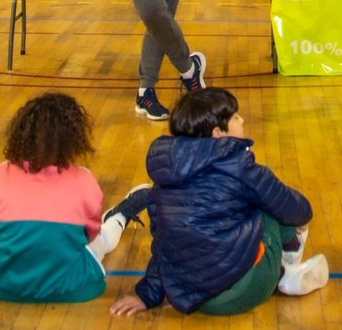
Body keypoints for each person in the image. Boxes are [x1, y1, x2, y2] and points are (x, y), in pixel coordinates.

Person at [110, 88, 327, 316]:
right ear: (218, 133)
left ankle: (284, 274)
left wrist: (147, 294)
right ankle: (286, 262)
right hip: (246, 289)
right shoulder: (241, 169)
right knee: (266, 206)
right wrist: (301, 219)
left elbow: (167, 242)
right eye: (235, 117)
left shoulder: (164, 176)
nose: (242, 120)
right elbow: (295, 208)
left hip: (196, 299)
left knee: (219, 215)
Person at [0, 92, 138, 303]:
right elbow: (88, 236)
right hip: (72, 285)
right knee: (100, 240)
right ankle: (120, 217)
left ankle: (119, 217)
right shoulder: (84, 179)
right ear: (73, 139)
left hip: (5, 285)